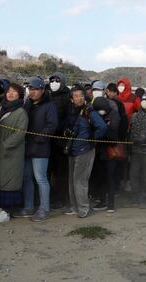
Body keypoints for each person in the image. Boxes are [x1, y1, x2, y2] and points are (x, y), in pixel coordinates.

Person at [64, 86, 107, 218]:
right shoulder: (71, 111)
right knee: (72, 180)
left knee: (80, 181)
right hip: (72, 149)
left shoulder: (89, 111)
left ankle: (83, 208)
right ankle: (75, 207)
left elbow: (102, 127)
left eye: (81, 95)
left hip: (85, 150)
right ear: (72, 99)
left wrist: (92, 139)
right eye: (76, 96)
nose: (79, 98)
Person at [0, 83, 28, 223]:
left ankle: (7, 211)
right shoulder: (0, 108)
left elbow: (20, 133)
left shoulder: (21, 112)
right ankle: (0, 208)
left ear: (20, 95)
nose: (10, 94)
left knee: (10, 182)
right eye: (9, 91)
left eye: (14, 92)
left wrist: (6, 144)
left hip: (12, 153)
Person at [20, 77, 58, 222]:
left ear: (42, 90)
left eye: (36, 89)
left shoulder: (50, 105)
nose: (33, 92)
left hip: (41, 148)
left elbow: (52, 125)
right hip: (27, 146)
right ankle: (28, 206)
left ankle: (44, 209)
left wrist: (39, 137)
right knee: (26, 178)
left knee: (41, 179)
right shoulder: (27, 104)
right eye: (31, 89)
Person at [46, 73, 70, 210]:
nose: (54, 82)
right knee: (47, 170)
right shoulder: (47, 95)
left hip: (61, 139)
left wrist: (57, 127)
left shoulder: (67, 96)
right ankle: (48, 197)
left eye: (57, 80)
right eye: (52, 80)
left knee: (60, 171)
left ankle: (60, 198)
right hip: (47, 139)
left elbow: (68, 116)